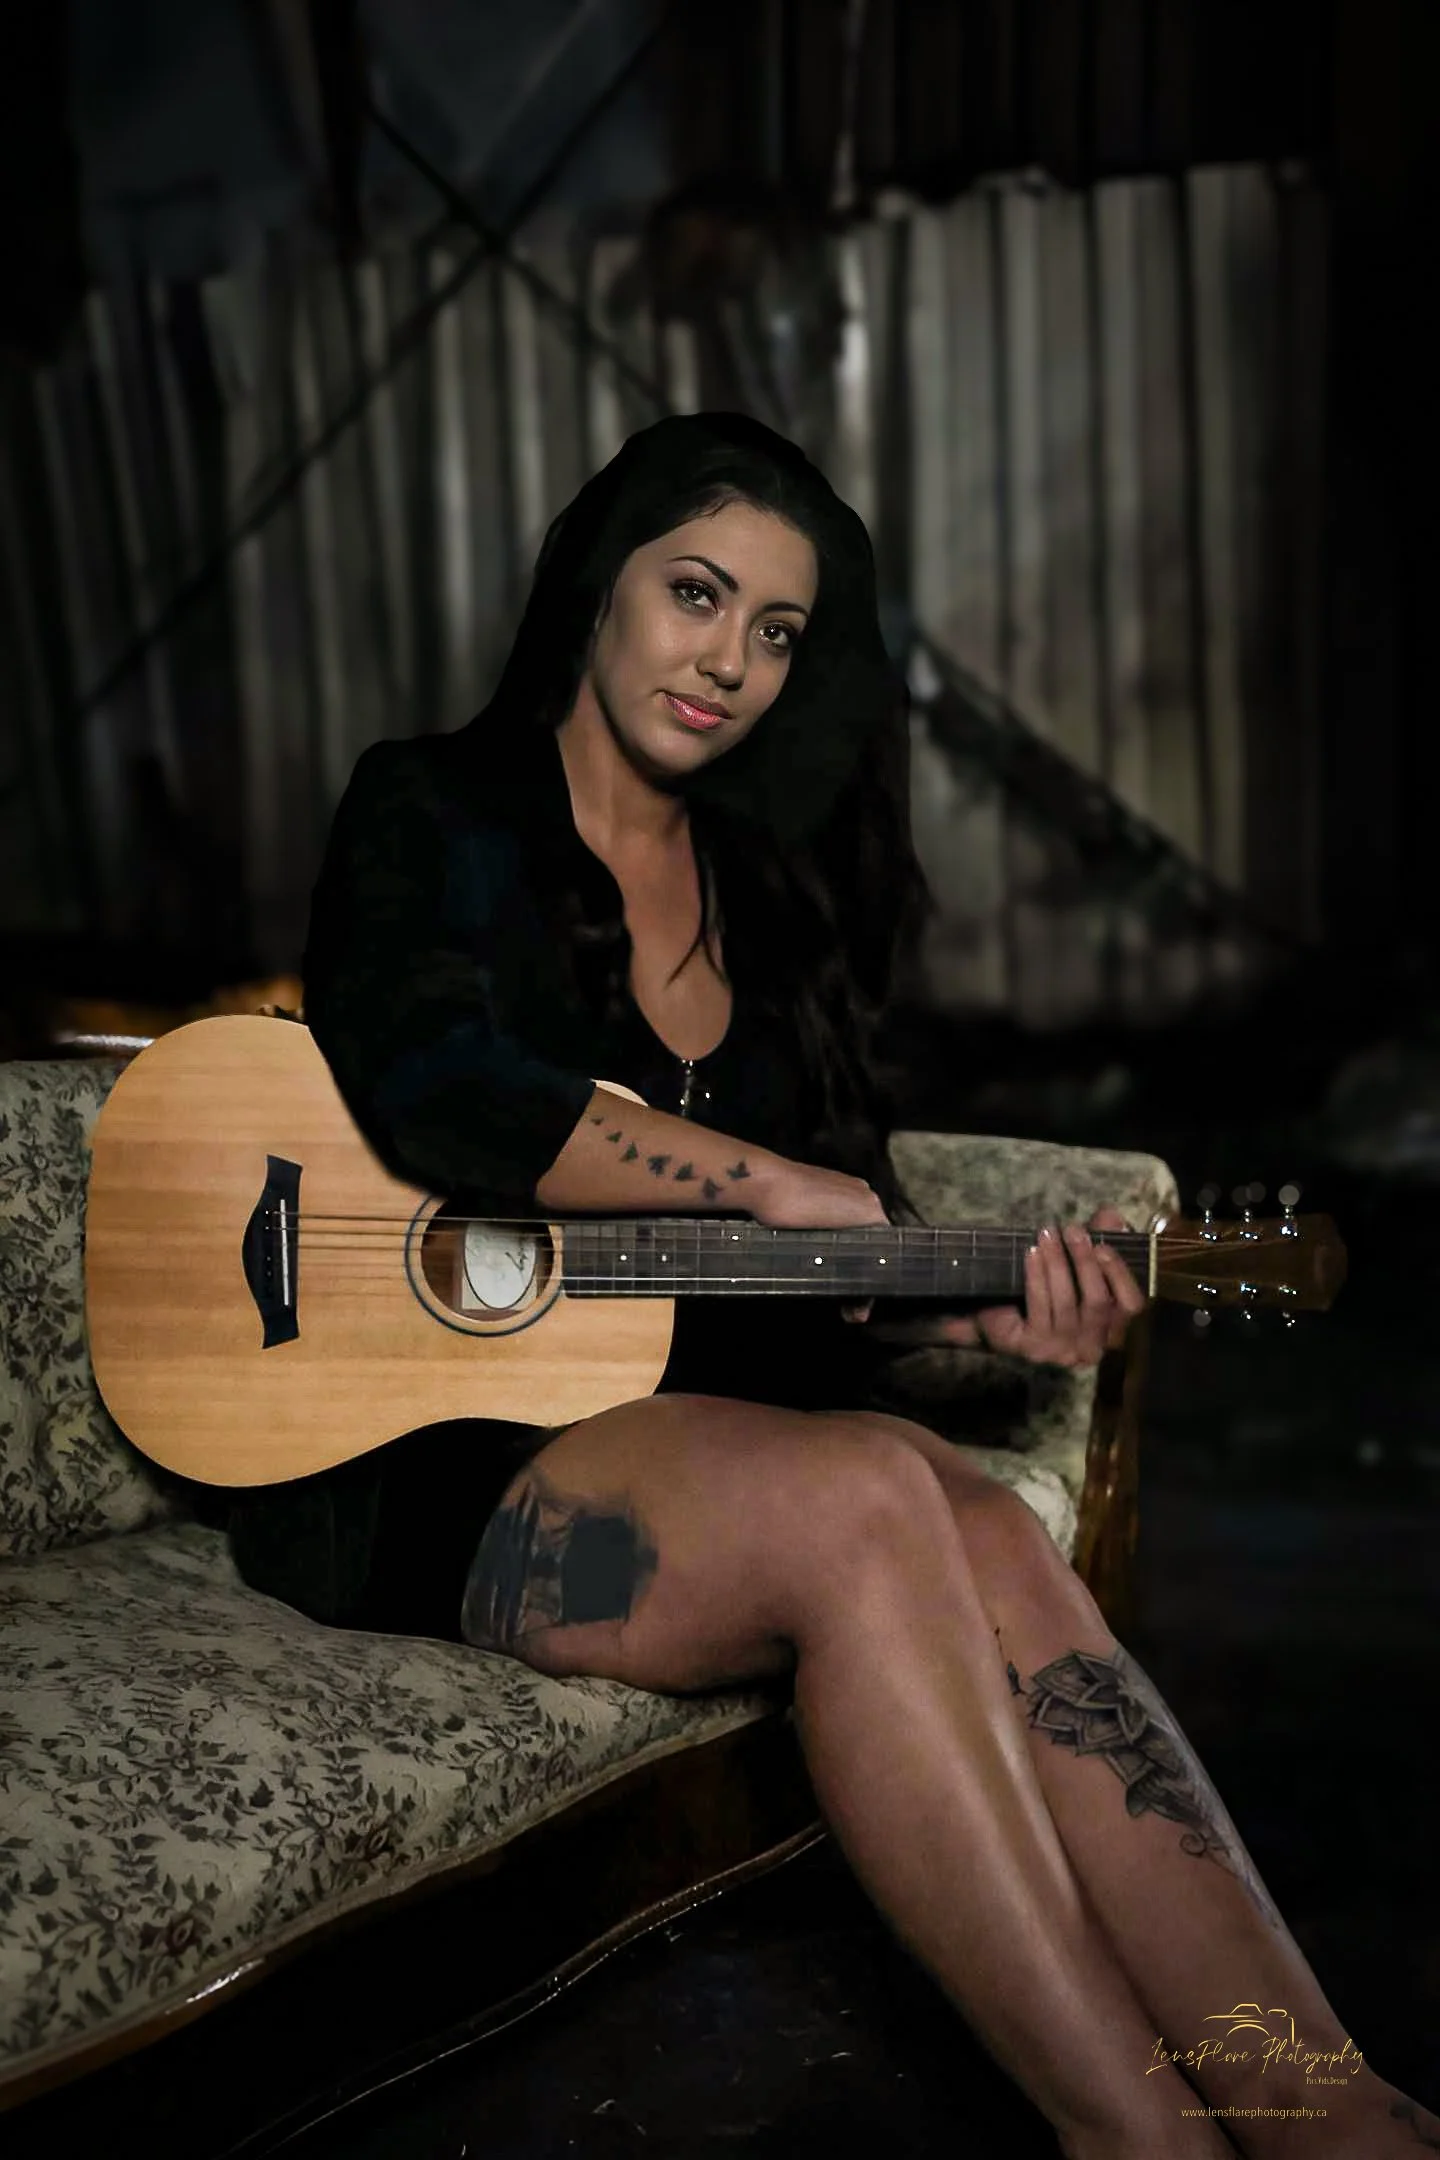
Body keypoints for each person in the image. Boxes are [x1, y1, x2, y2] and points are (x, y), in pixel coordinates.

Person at [231, 414, 1435, 2159]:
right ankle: (1140, 2142)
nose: (728, 659)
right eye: (696, 594)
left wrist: (973, 1303)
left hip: (702, 1425)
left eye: (777, 630)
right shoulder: (434, 809)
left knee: (996, 1537)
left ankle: (1325, 2110)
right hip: (434, 1445)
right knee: (872, 1496)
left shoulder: (771, 893)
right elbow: (436, 1083)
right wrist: (759, 1175)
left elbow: (815, 1243)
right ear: (600, 583)